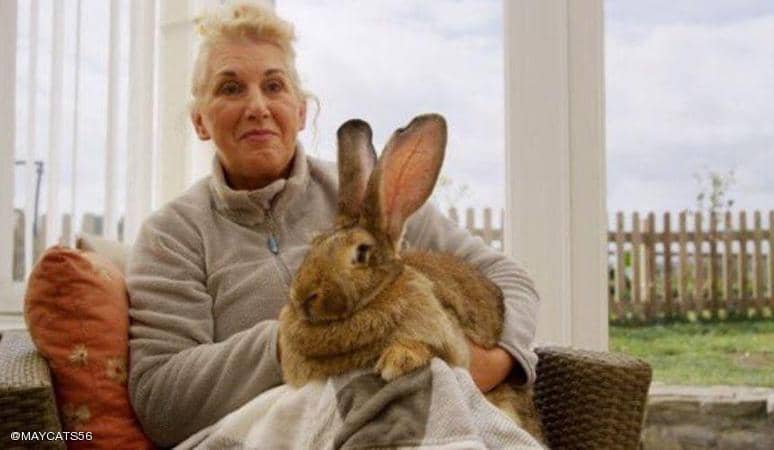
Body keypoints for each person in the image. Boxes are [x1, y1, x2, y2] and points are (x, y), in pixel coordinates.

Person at [126, 2, 540, 447]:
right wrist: (296, 340)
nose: (257, 107)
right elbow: (162, 398)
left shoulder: (368, 213)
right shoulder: (172, 235)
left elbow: (509, 279)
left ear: (301, 111)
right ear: (200, 121)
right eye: (230, 88)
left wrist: (494, 361)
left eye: (274, 86)